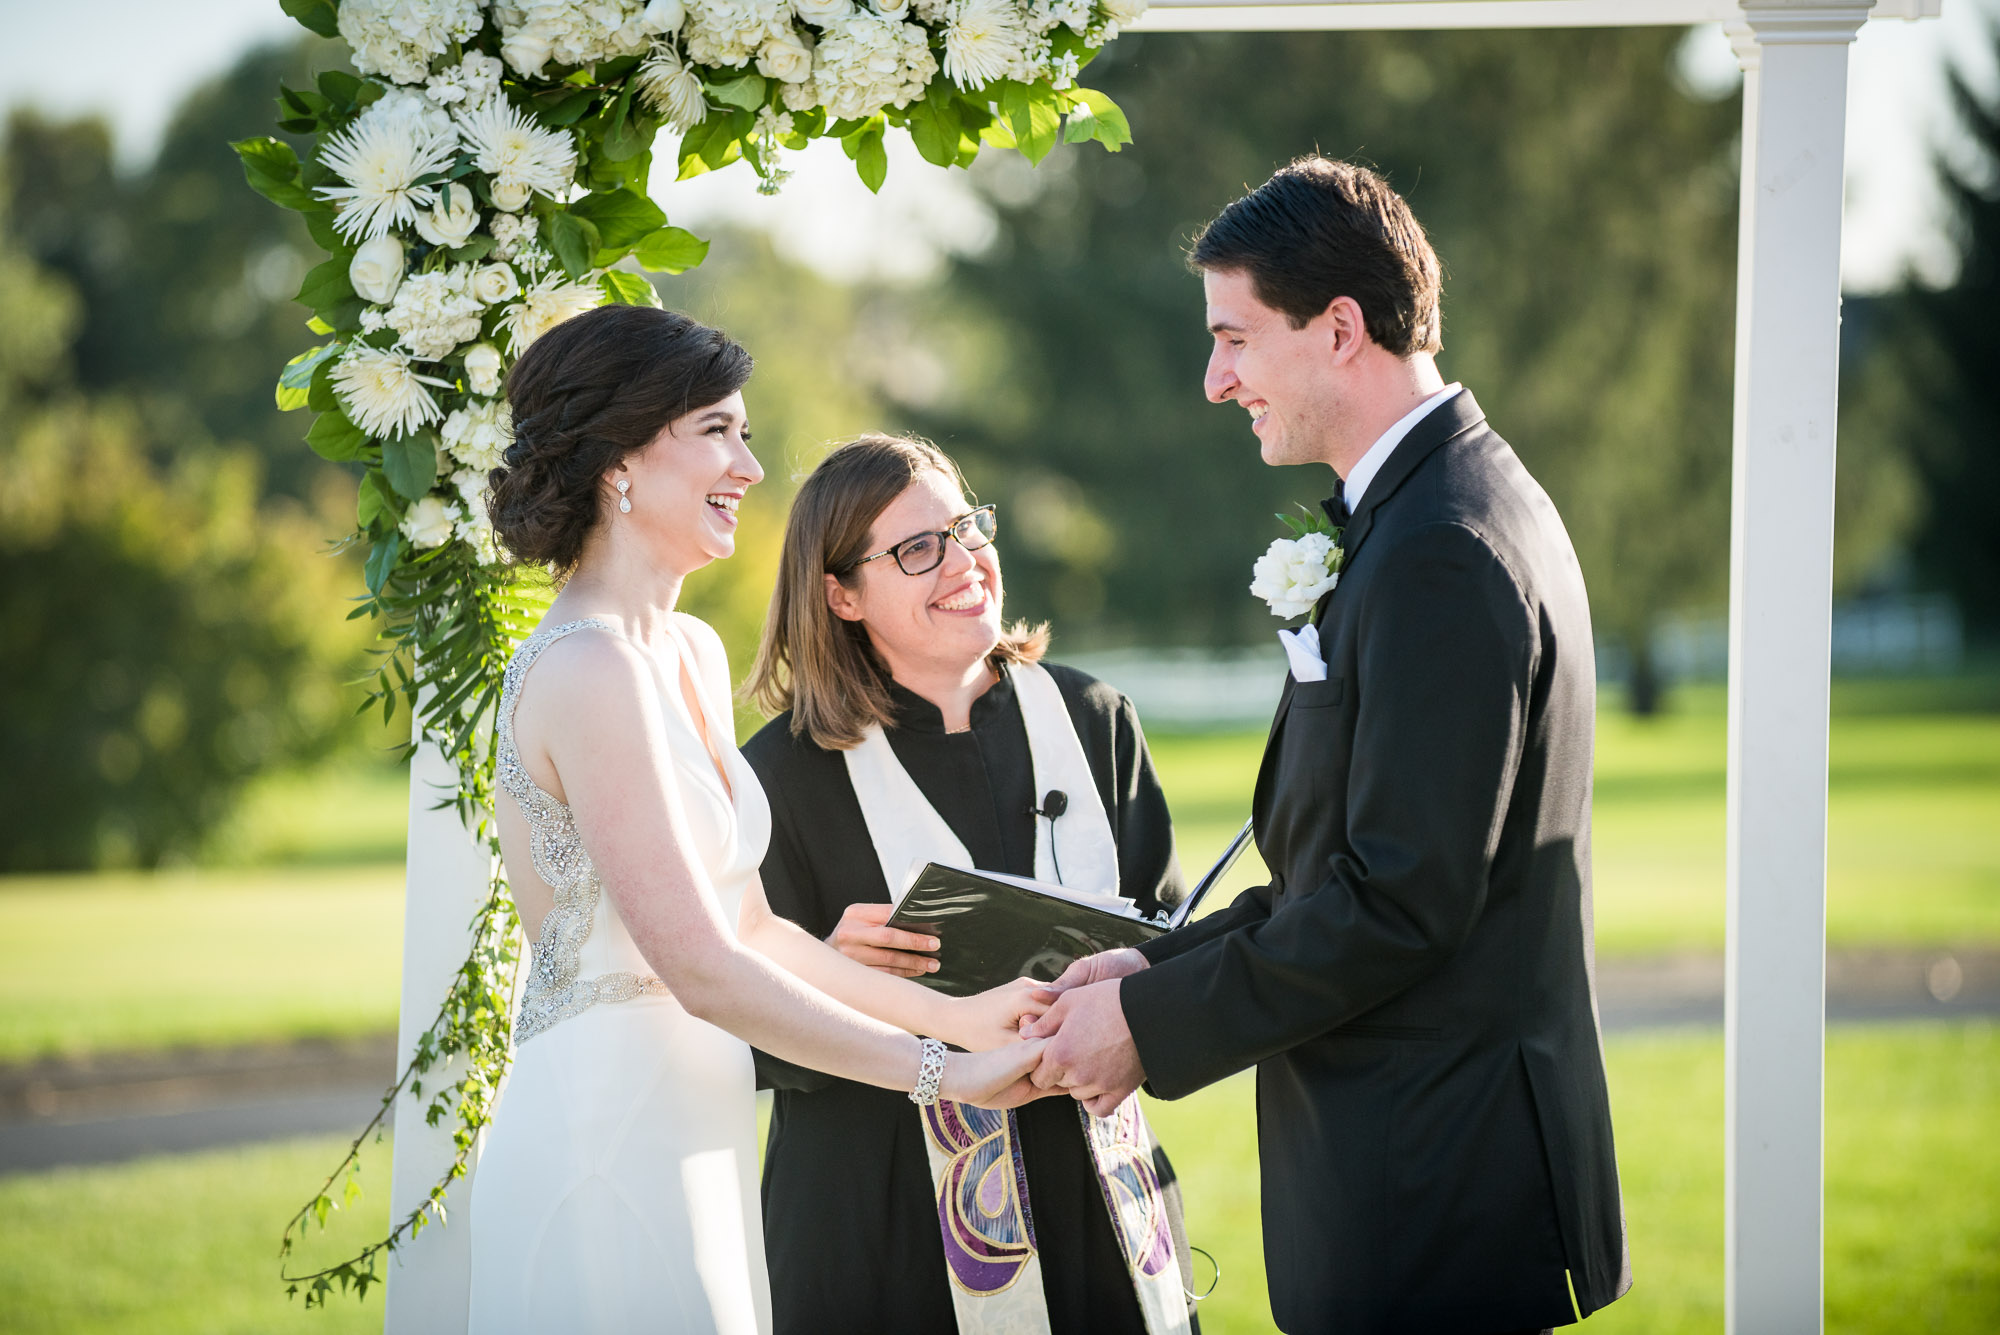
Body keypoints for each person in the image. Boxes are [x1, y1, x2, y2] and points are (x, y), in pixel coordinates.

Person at [1025, 157, 1632, 1334]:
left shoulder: (1442, 545)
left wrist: (1148, 1031)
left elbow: (1401, 901)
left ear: (1339, 328)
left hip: (1431, 1184)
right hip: (1416, 1166)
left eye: (1235, 339)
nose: (1214, 381)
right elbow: (1343, 867)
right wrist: (1158, 967)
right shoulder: (1430, 507)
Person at [466, 307, 1048, 1335]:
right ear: (618, 463)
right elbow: (697, 966)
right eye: (717, 433)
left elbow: (750, 929)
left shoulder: (685, 651)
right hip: (604, 1126)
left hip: (701, 1117)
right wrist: (944, 1075)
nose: (749, 465)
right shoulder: (587, 666)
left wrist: (962, 1015)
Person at [739, 433, 1200, 1335]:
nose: (963, 561)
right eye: (917, 549)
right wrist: (824, 969)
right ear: (840, 593)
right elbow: (731, 1027)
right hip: (882, 1222)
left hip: (1097, 1196)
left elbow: (1172, 942)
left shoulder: (1093, 718)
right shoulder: (782, 775)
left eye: (966, 526)